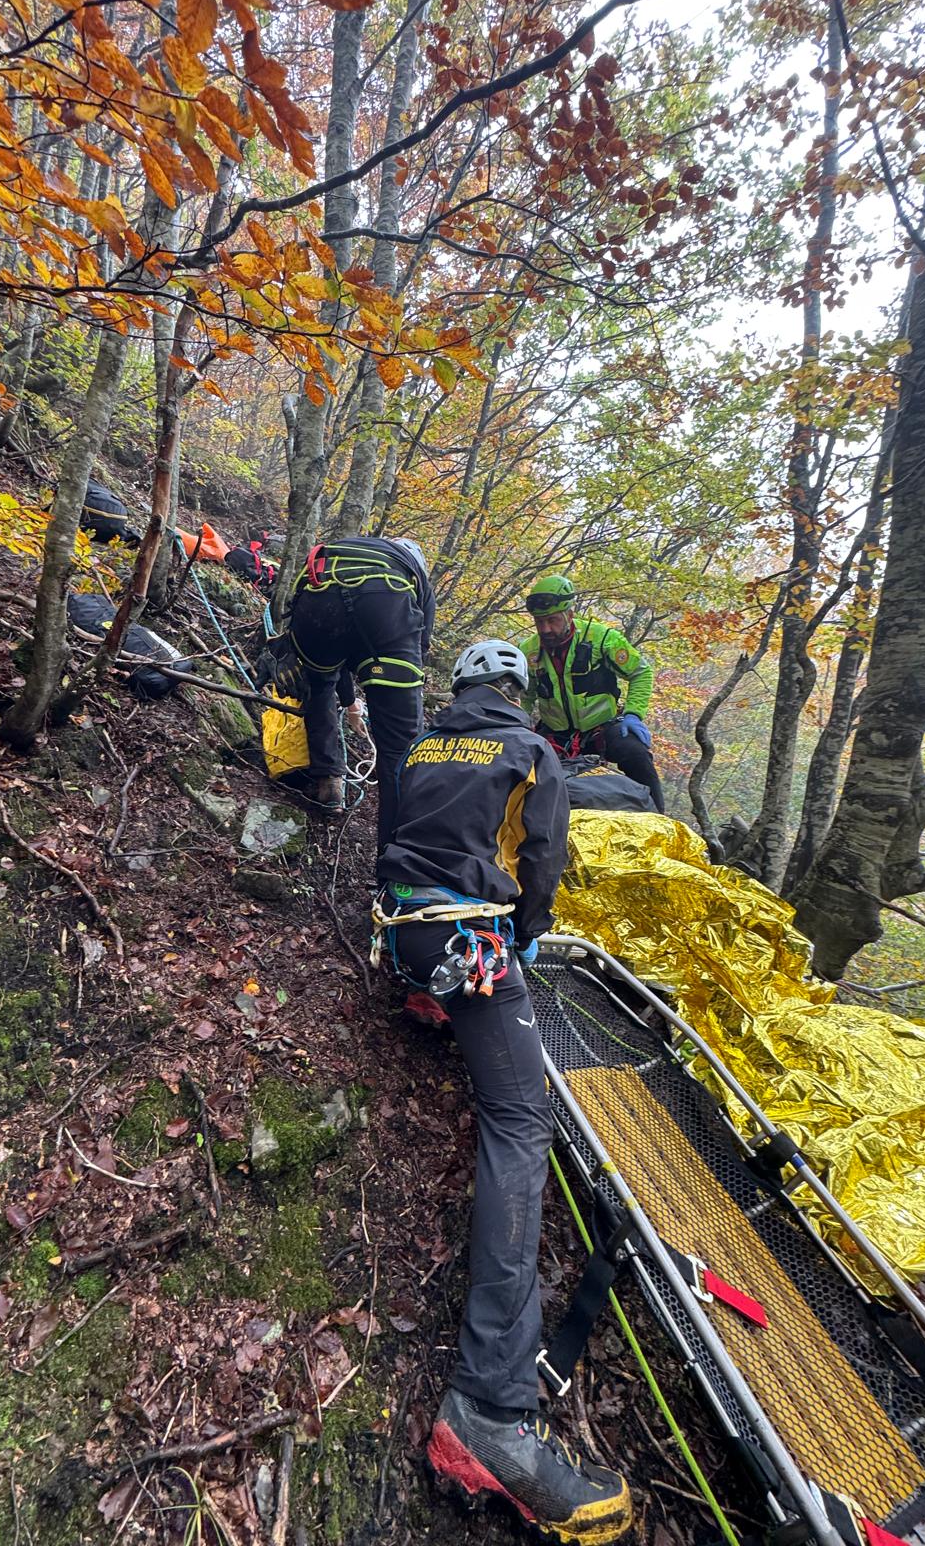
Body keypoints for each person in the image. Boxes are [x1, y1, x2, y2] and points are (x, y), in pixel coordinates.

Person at [374, 639, 632, 1544]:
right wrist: (527, 933)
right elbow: (542, 859)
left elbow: (389, 839)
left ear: (460, 689)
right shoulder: (530, 751)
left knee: (472, 1020)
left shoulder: (418, 742)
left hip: (404, 930)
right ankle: (489, 1406)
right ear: (518, 694)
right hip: (467, 939)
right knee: (522, 1123)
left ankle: (427, 991)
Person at [280, 535, 434, 854]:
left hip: (316, 597)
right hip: (384, 604)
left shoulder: (355, 553)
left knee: (320, 686)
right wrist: (391, 712)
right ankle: (398, 850)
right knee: (399, 743)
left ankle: (328, 784)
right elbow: (418, 653)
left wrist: (350, 704)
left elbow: (338, 664)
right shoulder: (413, 576)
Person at [517, 574, 665, 812]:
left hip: (602, 727)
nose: (545, 629)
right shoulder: (528, 651)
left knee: (636, 754)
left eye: (552, 620)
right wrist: (517, 725)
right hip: (555, 734)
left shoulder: (602, 639)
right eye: (539, 622)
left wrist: (634, 714)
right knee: (516, 766)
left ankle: (660, 818)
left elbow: (640, 673)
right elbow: (524, 695)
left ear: (569, 614)